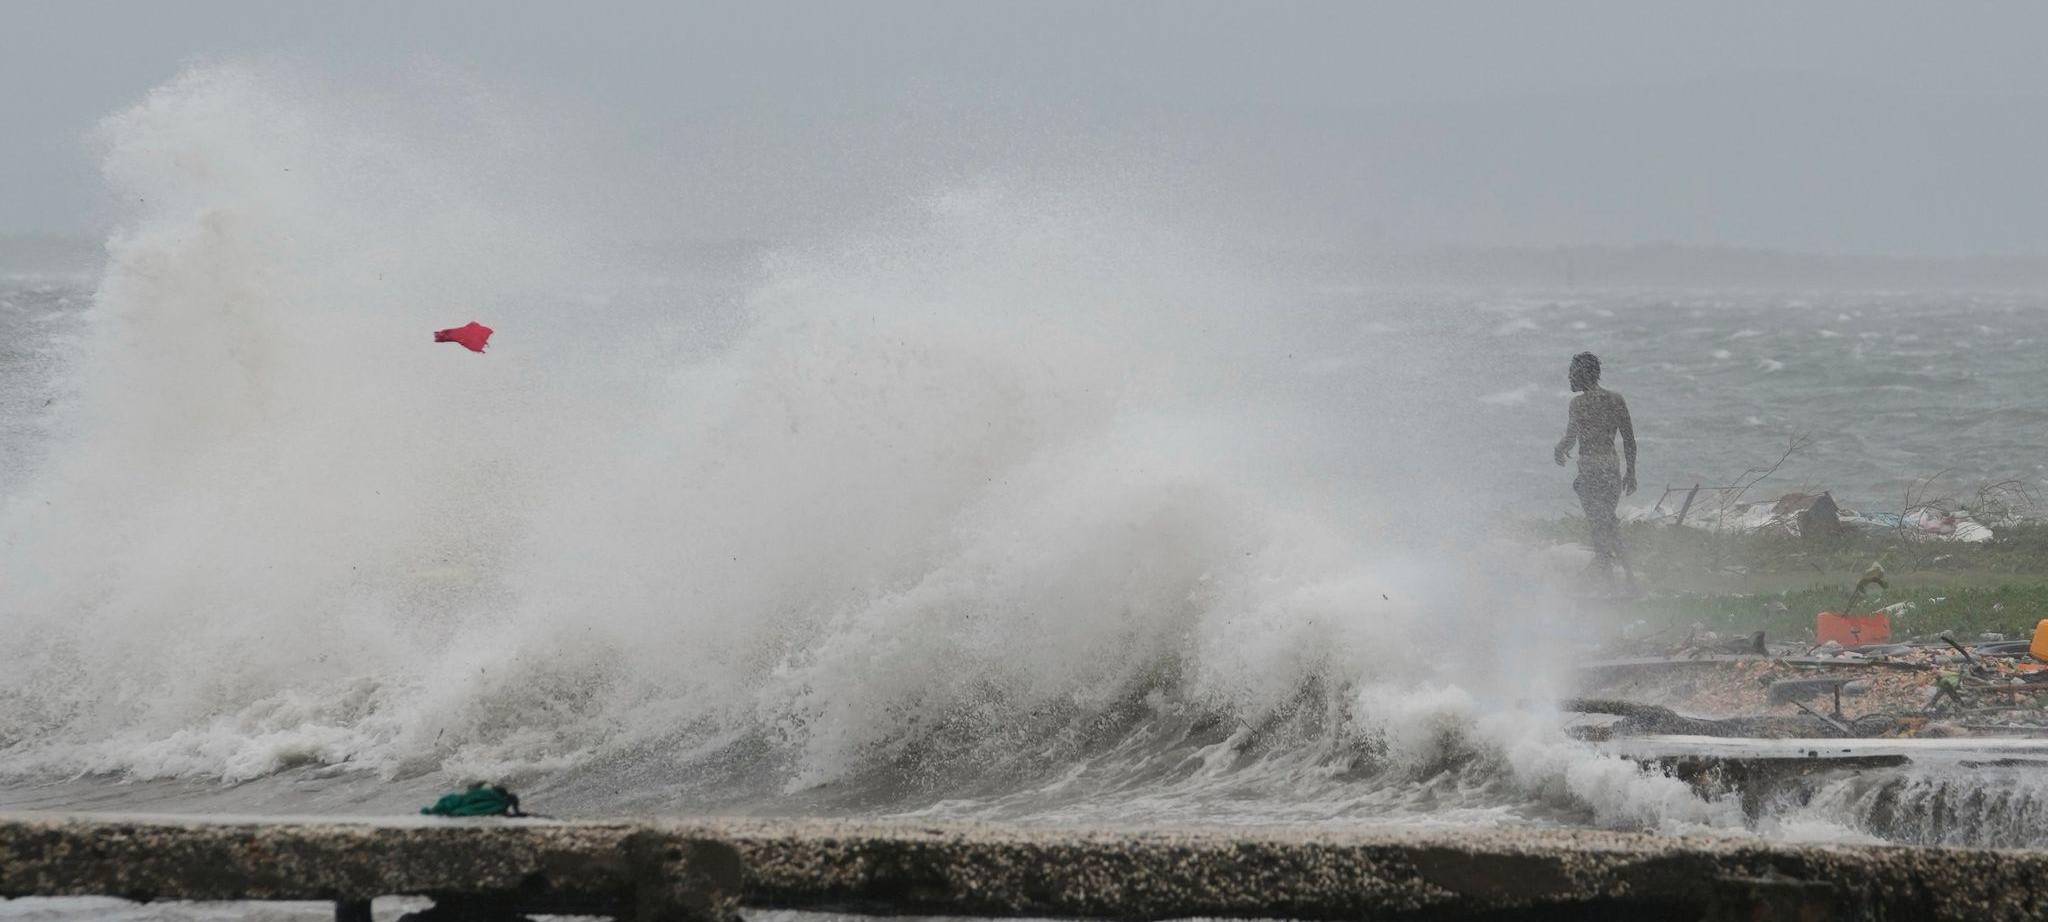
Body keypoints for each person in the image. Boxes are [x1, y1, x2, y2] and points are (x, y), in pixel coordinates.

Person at [1553, 352, 1636, 585]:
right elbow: (1629, 439)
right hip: (1611, 469)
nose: (1569, 377)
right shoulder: (1616, 400)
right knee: (1608, 521)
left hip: (1590, 471)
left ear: (1582, 374)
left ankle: (1606, 571)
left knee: (1599, 523)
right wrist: (1631, 472)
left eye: (1572, 373)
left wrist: (1558, 450)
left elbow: (1571, 438)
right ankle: (1623, 575)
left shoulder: (1578, 403)